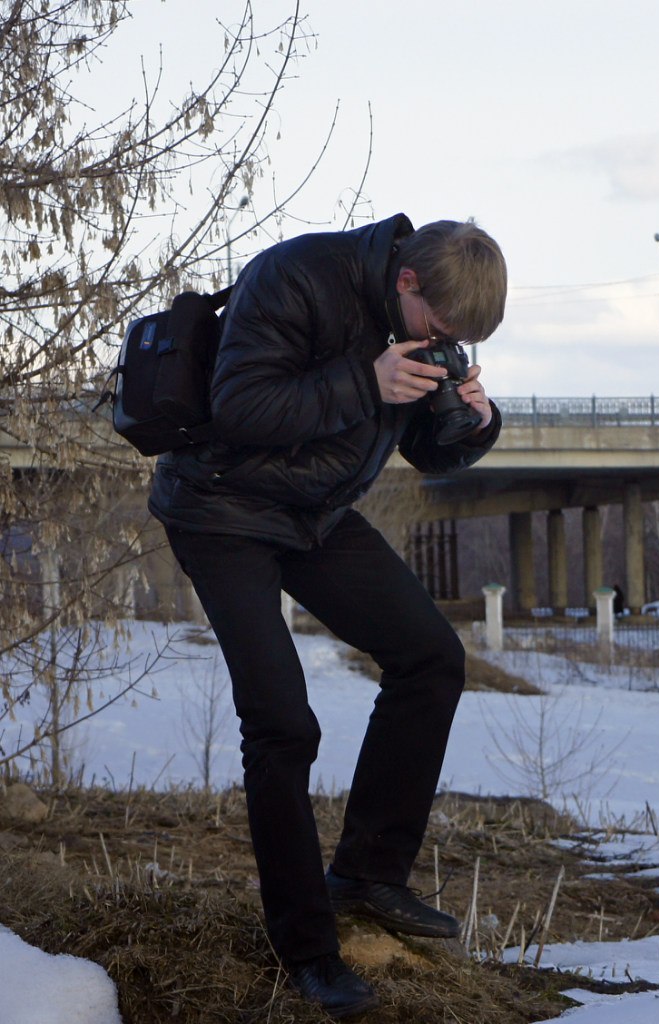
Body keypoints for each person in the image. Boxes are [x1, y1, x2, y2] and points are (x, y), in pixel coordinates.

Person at [148, 214, 507, 1018]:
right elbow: (239, 406)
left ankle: (369, 875)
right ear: (407, 282)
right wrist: (367, 381)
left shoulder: (412, 320)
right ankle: (307, 949)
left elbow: (425, 450)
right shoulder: (296, 276)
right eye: (442, 332)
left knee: (430, 658)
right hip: (221, 509)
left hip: (315, 515)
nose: (443, 345)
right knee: (283, 724)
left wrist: (473, 423)